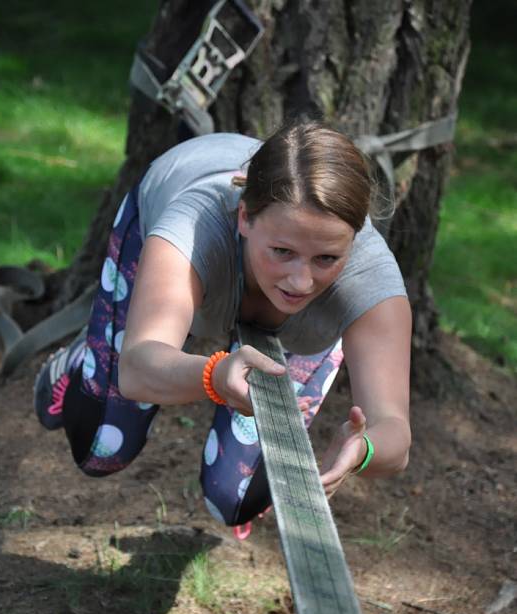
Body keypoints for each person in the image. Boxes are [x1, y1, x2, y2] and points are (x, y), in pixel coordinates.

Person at [34, 120, 412, 533]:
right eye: (282, 252)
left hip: (265, 300)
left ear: (354, 241)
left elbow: (395, 434)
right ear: (245, 217)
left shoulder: (371, 279)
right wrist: (214, 375)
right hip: (180, 207)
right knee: (102, 446)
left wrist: (367, 449)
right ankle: (82, 362)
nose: (301, 282)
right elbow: (140, 368)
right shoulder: (192, 225)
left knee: (235, 498)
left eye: (326, 259)